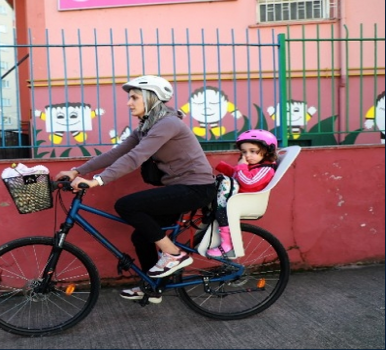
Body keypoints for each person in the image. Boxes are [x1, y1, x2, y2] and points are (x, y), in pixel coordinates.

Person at [54, 75, 216, 303]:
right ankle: (153, 286)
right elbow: (116, 153)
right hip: (179, 188)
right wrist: (77, 171)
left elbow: (135, 157)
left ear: (151, 98)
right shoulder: (145, 127)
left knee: (126, 205)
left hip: (196, 188)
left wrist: (98, 181)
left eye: (134, 97)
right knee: (141, 237)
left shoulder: (168, 124)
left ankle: (174, 254)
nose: (129, 103)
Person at [206, 129, 279, 258]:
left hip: (244, 202)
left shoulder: (266, 169)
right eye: (244, 152)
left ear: (268, 151)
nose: (247, 156)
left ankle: (227, 245)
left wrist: (241, 167)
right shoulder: (253, 166)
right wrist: (221, 167)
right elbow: (238, 176)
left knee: (221, 212)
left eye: (253, 151)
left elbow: (248, 182)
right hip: (236, 199)